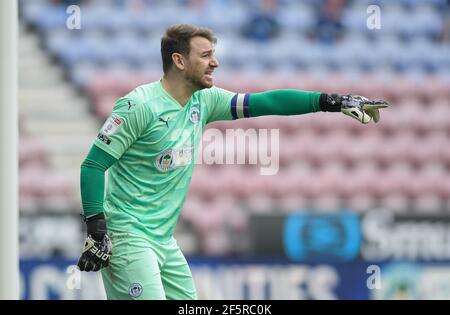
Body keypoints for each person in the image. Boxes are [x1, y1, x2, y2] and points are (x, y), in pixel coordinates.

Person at [77, 24, 389, 300]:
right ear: (179, 60)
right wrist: (97, 230)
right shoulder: (139, 106)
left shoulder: (203, 100)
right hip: (129, 237)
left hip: (162, 240)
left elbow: (267, 102)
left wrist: (330, 101)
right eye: (206, 55)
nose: (215, 62)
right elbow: (92, 165)